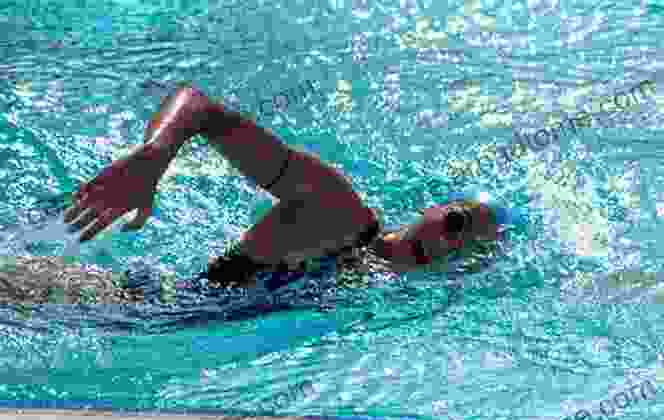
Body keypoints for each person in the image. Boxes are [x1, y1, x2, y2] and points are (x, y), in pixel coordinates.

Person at [1, 84, 503, 311]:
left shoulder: (372, 305)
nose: (448, 243)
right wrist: (153, 156)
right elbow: (199, 106)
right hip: (97, 301)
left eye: (465, 249)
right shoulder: (338, 213)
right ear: (430, 211)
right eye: (456, 222)